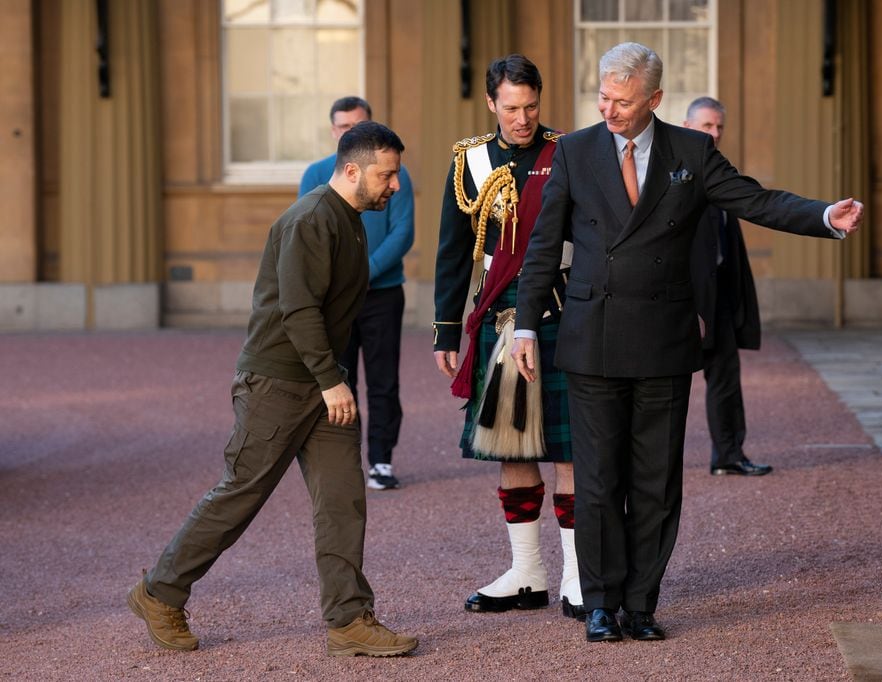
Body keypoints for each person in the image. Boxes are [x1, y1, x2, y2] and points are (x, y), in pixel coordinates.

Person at [511, 42, 862, 643]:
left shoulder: (692, 152)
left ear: (654, 99)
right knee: (597, 479)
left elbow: (755, 200)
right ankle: (599, 602)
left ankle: (641, 604)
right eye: (602, 96)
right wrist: (524, 325)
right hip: (591, 337)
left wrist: (823, 215)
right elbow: (544, 245)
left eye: (622, 101)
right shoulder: (572, 151)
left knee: (655, 480)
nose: (609, 109)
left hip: (664, 342)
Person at [128, 121, 418, 658]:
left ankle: (349, 620)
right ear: (351, 170)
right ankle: (159, 592)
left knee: (342, 501)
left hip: (322, 385)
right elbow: (298, 309)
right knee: (240, 495)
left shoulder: (350, 218)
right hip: (278, 384)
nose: (396, 186)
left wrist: (332, 381)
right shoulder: (311, 219)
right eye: (388, 174)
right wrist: (333, 381)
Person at [433, 54, 583, 620]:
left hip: (564, 311)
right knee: (511, 442)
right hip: (500, 314)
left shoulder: (568, 149)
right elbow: (453, 252)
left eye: (532, 106)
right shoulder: (468, 161)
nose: (523, 119)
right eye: (512, 108)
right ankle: (527, 573)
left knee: (569, 446)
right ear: (492, 103)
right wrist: (447, 331)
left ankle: (576, 576)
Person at [300, 97, 415, 490]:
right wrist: (344, 281)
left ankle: (381, 460)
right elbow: (309, 238)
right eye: (342, 127)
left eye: (358, 126)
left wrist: (362, 273)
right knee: (338, 380)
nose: (349, 133)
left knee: (383, 381)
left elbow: (403, 233)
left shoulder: (395, 174)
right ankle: (343, 461)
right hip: (336, 301)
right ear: (333, 132)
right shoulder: (315, 174)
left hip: (382, 295)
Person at [683, 96, 772, 477]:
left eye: (719, 126)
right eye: (707, 126)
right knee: (658, 389)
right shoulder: (667, 172)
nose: (715, 133)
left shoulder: (720, 173)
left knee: (725, 379)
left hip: (717, 297)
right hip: (677, 301)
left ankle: (729, 455)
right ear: (688, 127)